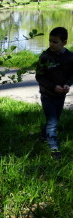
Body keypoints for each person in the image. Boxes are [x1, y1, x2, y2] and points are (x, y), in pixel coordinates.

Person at [35, 27, 73, 160]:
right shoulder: (45, 57)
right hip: (47, 94)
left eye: (55, 42)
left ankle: (43, 136)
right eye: (50, 41)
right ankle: (54, 147)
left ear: (64, 42)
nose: (51, 44)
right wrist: (53, 87)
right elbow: (39, 77)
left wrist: (68, 84)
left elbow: (71, 75)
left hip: (61, 95)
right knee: (52, 121)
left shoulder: (70, 57)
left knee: (54, 118)